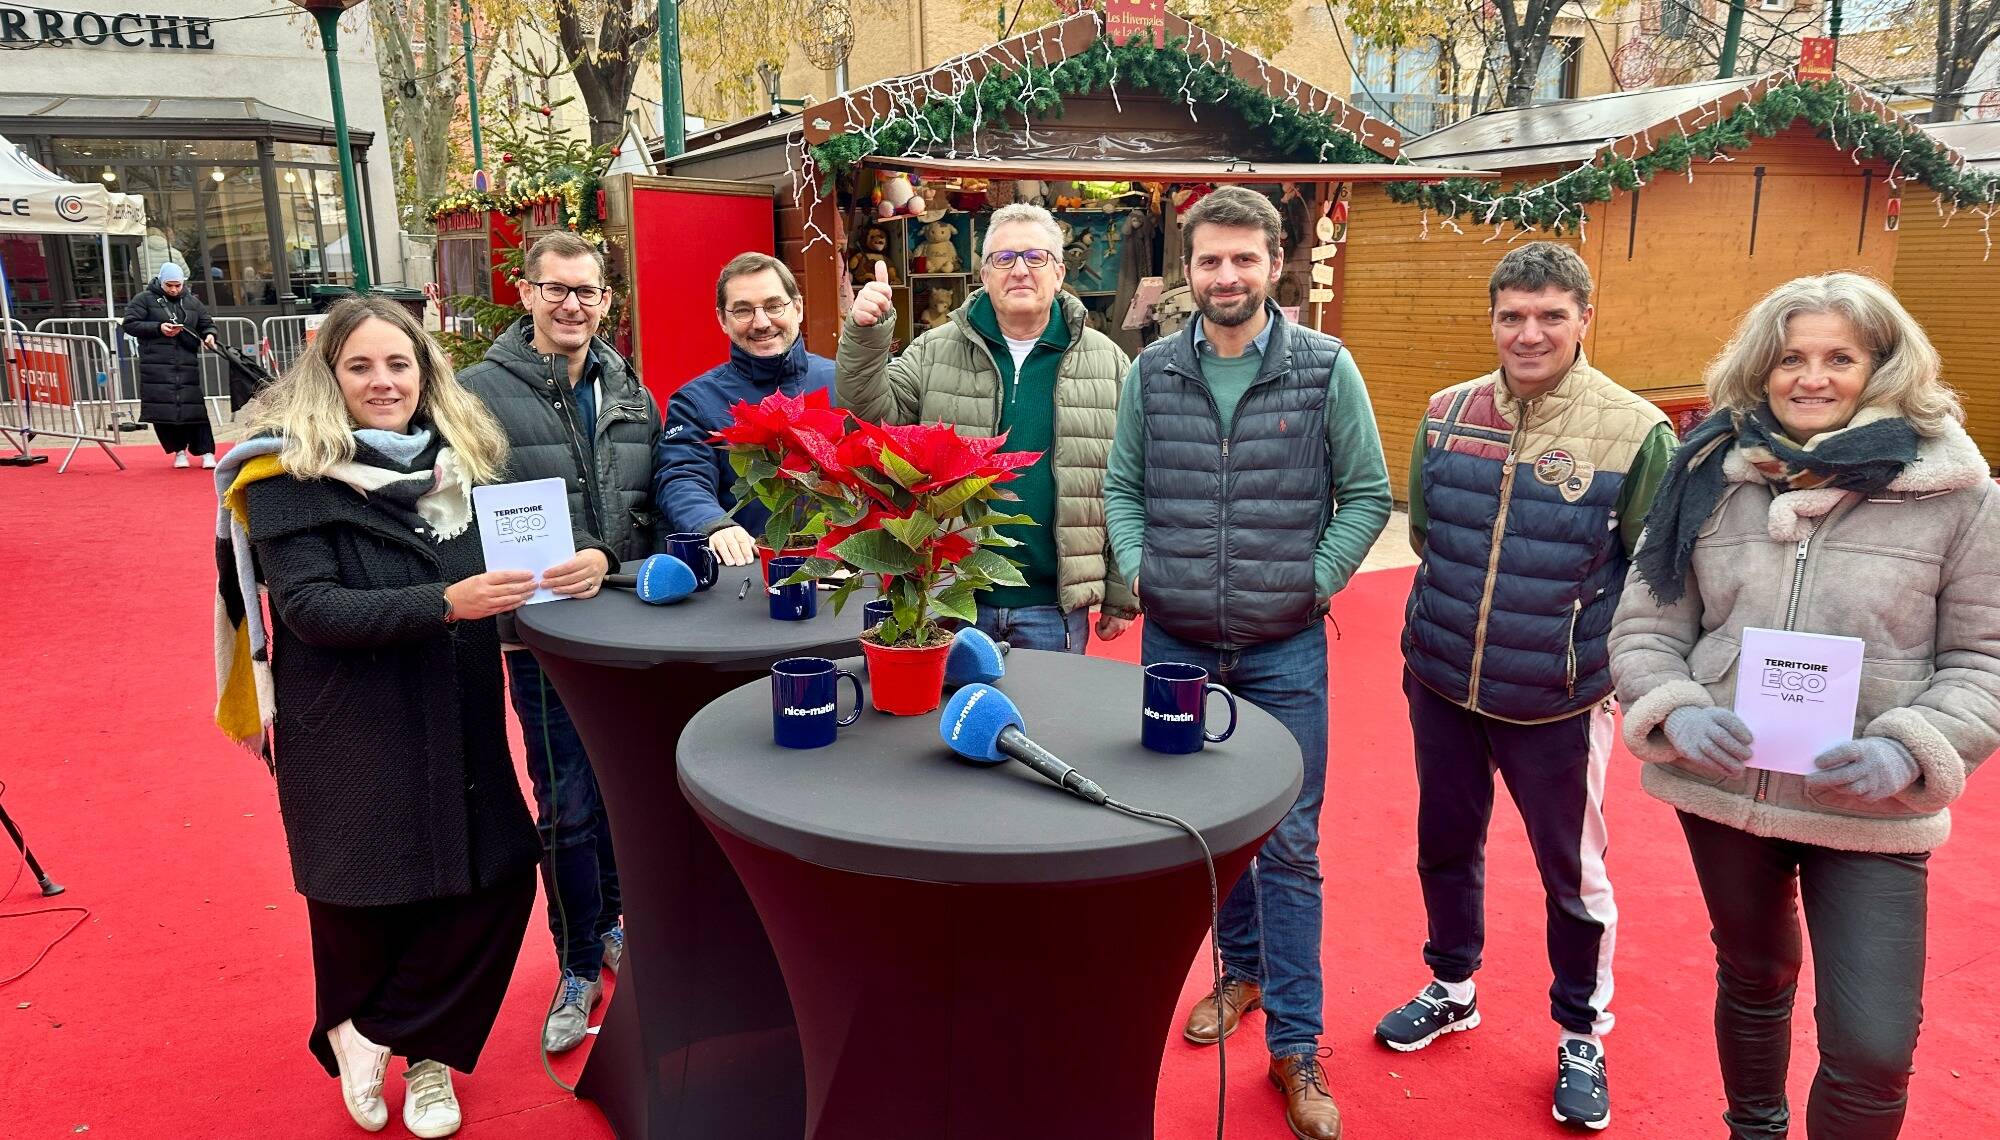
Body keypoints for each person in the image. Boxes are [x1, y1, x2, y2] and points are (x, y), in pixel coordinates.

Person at [212, 296, 613, 1138]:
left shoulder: (465, 460)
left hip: (456, 708)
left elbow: (522, 563)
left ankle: (387, 1038)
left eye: (399, 364)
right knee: (362, 900)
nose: (382, 382)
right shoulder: (285, 475)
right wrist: (446, 601)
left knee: (497, 876)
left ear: (425, 371)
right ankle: (377, 1039)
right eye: (360, 366)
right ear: (329, 376)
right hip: (347, 723)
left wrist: (579, 565)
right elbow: (314, 609)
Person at [1610, 272, 1999, 1139]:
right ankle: (1755, 1129)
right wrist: (1676, 708)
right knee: (1753, 975)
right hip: (1727, 789)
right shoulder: (1708, 471)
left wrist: (1912, 748)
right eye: (1790, 357)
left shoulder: (1960, 496)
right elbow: (1645, 622)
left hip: (1870, 806)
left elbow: (1985, 658)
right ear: (1762, 366)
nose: (1810, 378)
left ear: (1885, 368)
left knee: (1872, 1048)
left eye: (1840, 357)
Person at [1103, 185, 1392, 1140]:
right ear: (1187, 271)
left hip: (1285, 649)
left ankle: (1297, 1047)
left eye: (1244, 259)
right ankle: (1242, 971)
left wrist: (1311, 586)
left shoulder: (1324, 367)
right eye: (1209, 260)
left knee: (1293, 843)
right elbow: (1122, 487)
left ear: (1277, 264)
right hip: (1177, 644)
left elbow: (1366, 494)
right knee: (1201, 833)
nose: (1226, 276)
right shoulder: (1153, 374)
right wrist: (1143, 573)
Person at [1382, 242, 1674, 1130]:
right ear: (1494, 319)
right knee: (1445, 842)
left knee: (1571, 874)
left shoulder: (1635, 429)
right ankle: (1452, 982)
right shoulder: (1445, 412)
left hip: (1558, 698)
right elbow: (1430, 535)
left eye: (1551, 314)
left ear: (1587, 317)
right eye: (1513, 315)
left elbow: (1655, 574)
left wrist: (1594, 657)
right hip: (1440, 679)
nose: (1530, 332)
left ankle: (1581, 1030)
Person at [458, 231, 661, 1052]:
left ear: (608, 300)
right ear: (527, 294)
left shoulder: (633, 390)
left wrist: (607, 555)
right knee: (567, 805)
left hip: (623, 632)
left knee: (620, 796)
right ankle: (576, 963)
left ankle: (613, 924)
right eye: (557, 289)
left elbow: (646, 510)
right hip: (538, 639)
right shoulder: (475, 394)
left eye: (588, 292)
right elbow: (455, 517)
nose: (573, 305)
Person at [839, 202, 1137, 651]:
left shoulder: (1107, 361)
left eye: (1035, 257)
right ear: (984, 274)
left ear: (1058, 273)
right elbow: (869, 416)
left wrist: (1118, 592)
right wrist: (866, 337)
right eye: (1004, 258)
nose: (1020, 270)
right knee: (939, 719)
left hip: (1053, 608)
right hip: (945, 596)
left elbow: (1128, 482)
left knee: (1048, 720)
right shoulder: (933, 350)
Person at [653, 252, 834, 565]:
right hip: (750, 572)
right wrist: (714, 525)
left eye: (774, 306)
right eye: (743, 311)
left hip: (843, 569)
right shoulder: (696, 401)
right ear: (723, 320)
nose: (761, 322)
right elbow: (683, 478)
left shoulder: (842, 383)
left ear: (798, 308)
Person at [123, 262, 218, 468]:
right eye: (169, 285)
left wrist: (210, 335)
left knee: (195, 409)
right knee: (163, 411)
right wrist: (159, 328)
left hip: (186, 363)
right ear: (161, 281)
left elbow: (206, 323)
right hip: (156, 363)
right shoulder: (144, 299)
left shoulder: (192, 302)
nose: (174, 289)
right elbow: (129, 323)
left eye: (178, 285)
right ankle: (178, 451)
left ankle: (207, 451)